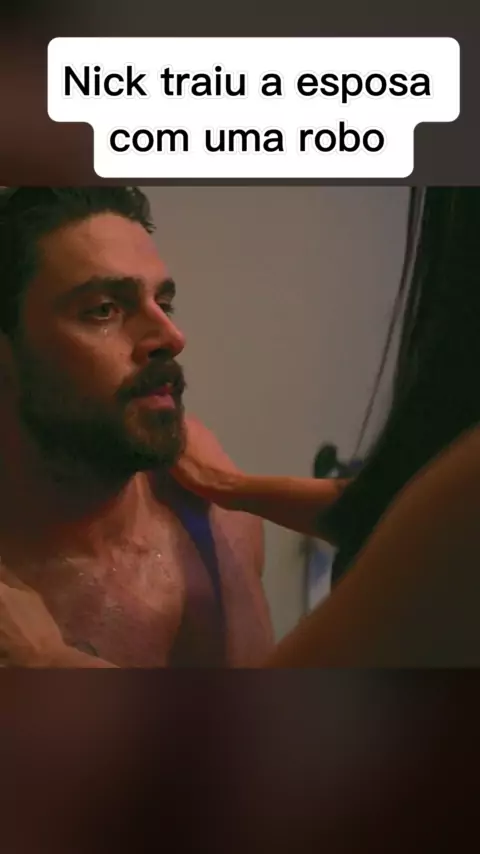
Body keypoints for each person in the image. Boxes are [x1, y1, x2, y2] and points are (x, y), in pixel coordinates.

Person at [0, 187, 274, 668]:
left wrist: (49, 663)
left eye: (163, 303)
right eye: (103, 309)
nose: (170, 336)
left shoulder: (219, 522)